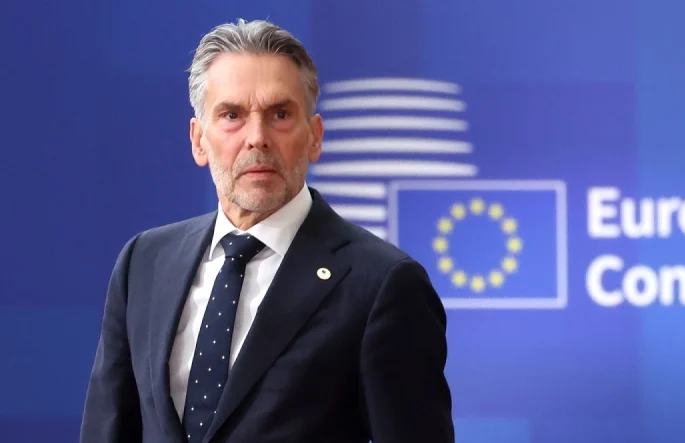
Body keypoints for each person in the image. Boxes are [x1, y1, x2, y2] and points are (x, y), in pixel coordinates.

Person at [79, 19, 455, 443]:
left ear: (314, 137)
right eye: (232, 115)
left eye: (280, 114)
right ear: (199, 140)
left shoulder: (382, 283)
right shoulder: (144, 263)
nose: (256, 138)